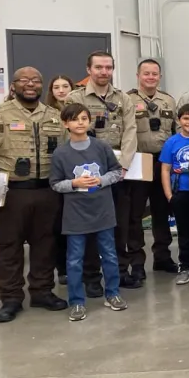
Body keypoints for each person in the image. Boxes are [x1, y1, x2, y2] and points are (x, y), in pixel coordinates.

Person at [0, 67, 67, 323]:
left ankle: (42, 291)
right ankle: (11, 298)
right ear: (13, 86)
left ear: (42, 86)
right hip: (9, 193)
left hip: (47, 192)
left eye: (36, 80)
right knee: (9, 247)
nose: (30, 84)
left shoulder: (54, 116)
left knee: (45, 244)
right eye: (24, 80)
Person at [66, 52, 138, 299]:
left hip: (117, 172)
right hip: (87, 174)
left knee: (118, 225)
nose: (103, 72)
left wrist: (124, 166)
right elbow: (71, 133)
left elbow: (130, 131)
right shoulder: (75, 97)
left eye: (108, 67)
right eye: (98, 67)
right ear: (89, 69)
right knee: (88, 227)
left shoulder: (124, 98)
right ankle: (91, 277)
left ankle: (118, 271)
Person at [50, 103, 128, 321]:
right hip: (75, 215)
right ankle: (76, 301)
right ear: (66, 124)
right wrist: (73, 183)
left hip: (102, 211)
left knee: (110, 255)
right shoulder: (60, 154)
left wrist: (102, 180)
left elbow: (116, 172)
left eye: (84, 118)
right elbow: (55, 184)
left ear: (89, 121)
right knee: (75, 259)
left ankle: (112, 293)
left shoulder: (101, 147)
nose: (80, 122)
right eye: (75, 119)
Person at [126, 59, 179, 282]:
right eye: (146, 73)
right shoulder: (127, 99)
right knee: (135, 214)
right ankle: (137, 262)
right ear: (138, 75)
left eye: (154, 74)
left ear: (159, 76)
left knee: (162, 211)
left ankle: (162, 257)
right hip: (138, 161)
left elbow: (176, 131)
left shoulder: (168, 100)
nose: (150, 77)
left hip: (163, 161)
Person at [160, 104, 189, 285]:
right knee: (185, 232)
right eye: (186, 118)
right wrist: (169, 195)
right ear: (179, 120)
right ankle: (186, 266)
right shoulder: (172, 142)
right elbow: (165, 170)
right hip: (181, 192)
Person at [45, 74, 74, 285]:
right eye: (57, 87)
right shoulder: (47, 113)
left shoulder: (80, 112)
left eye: (65, 86)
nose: (61, 90)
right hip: (56, 174)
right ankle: (62, 267)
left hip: (79, 173)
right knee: (58, 225)